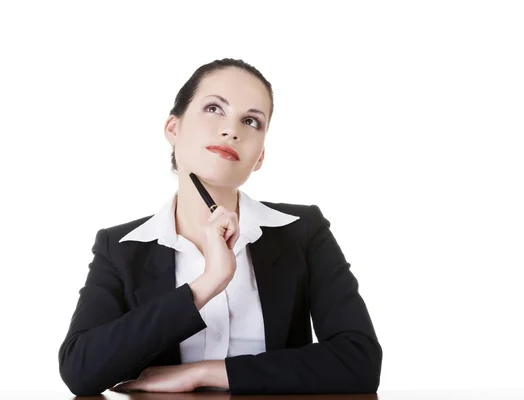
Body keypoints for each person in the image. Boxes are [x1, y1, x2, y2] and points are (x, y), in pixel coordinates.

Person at [57, 58, 383, 396]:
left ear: (259, 157)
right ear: (173, 127)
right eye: (214, 108)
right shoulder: (120, 247)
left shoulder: (303, 231)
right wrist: (208, 283)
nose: (232, 130)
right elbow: (80, 370)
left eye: (251, 121)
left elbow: (358, 360)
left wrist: (204, 373)